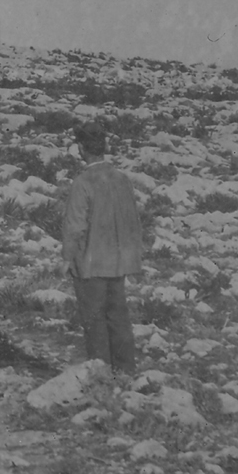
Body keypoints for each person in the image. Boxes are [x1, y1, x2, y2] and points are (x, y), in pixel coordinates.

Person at [60, 125, 143, 371]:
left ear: (82, 149)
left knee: (95, 320)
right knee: (118, 317)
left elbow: (75, 226)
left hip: (91, 262)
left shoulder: (82, 182)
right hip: (118, 261)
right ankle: (126, 371)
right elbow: (132, 219)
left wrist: (66, 257)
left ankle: (101, 373)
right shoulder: (122, 178)